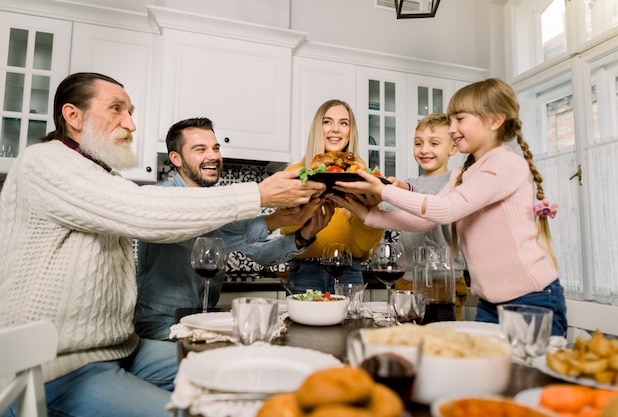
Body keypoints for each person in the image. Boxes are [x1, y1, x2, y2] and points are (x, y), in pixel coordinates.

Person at [0, 72, 324, 417]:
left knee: (244, 373)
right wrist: (260, 194)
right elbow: (146, 212)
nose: (131, 123)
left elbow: (230, 234)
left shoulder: (104, 178)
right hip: (56, 365)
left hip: (124, 349)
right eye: (116, 109)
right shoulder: (43, 162)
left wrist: (287, 223)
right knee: (198, 412)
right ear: (73, 116)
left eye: (131, 111)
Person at [331, 78, 567, 336]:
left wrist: (381, 189)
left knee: (531, 376)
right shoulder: (464, 172)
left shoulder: (505, 163)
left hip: (530, 299)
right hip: (490, 305)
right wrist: (365, 213)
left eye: (460, 119)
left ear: (494, 120)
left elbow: (447, 209)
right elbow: (425, 221)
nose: (452, 128)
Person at [134, 117, 333, 340]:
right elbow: (204, 232)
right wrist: (272, 219)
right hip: (161, 328)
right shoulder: (160, 198)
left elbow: (262, 254)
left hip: (203, 323)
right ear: (176, 158)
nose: (213, 156)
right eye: (201, 149)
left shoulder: (220, 205)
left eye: (215, 148)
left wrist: (303, 235)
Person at [280, 99, 384, 294]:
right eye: (328, 122)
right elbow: (286, 230)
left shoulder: (362, 176)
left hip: (349, 271)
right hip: (304, 272)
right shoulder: (295, 173)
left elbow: (365, 245)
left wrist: (369, 209)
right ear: (317, 128)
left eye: (343, 123)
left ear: (350, 132)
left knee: (351, 325)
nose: (335, 129)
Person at [382, 113, 468, 321]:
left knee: (441, 342)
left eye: (434, 143)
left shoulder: (458, 180)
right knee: (407, 341)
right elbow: (383, 206)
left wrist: (405, 192)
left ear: (453, 148)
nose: (424, 150)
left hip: (444, 282)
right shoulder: (409, 183)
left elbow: (436, 207)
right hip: (407, 280)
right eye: (418, 143)